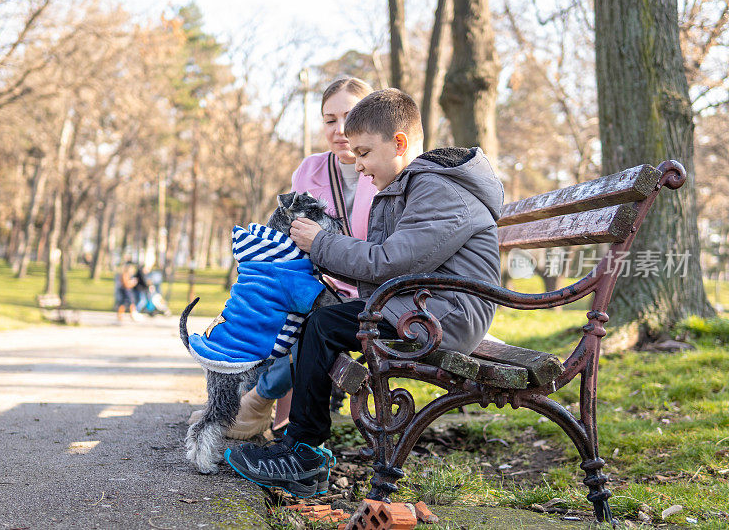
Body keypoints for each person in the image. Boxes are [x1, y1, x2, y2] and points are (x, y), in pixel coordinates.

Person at [224, 88, 504, 497]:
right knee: (318, 321)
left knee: (322, 325)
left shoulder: (440, 190)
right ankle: (301, 445)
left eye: (365, 153)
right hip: (422, 304)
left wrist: (320, 243)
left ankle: (304, 454)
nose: (359, 165)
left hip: (444, 315)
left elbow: (390, 261)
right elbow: (385, 268)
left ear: (400, 143)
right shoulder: (409, 184)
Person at [188, 77, 377, 435]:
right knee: (258, 308)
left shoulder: (387, 171)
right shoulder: (311, 169)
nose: (339, 130)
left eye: (349, 118)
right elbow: (284, 237)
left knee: (307, 320)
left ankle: (257, 401)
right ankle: (236, 402)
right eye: (329, 120)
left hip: (360, 289)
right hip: (311, 281)